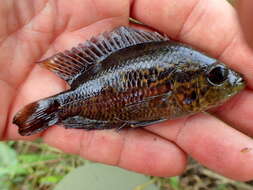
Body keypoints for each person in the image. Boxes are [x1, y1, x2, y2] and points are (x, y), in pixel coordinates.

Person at [0, 0, 253, 181]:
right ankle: (57, 109)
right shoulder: (180, 69)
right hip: (90, 89)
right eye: (216, 77)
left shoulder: (183, 71)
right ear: (184, 81)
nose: (230, 81)